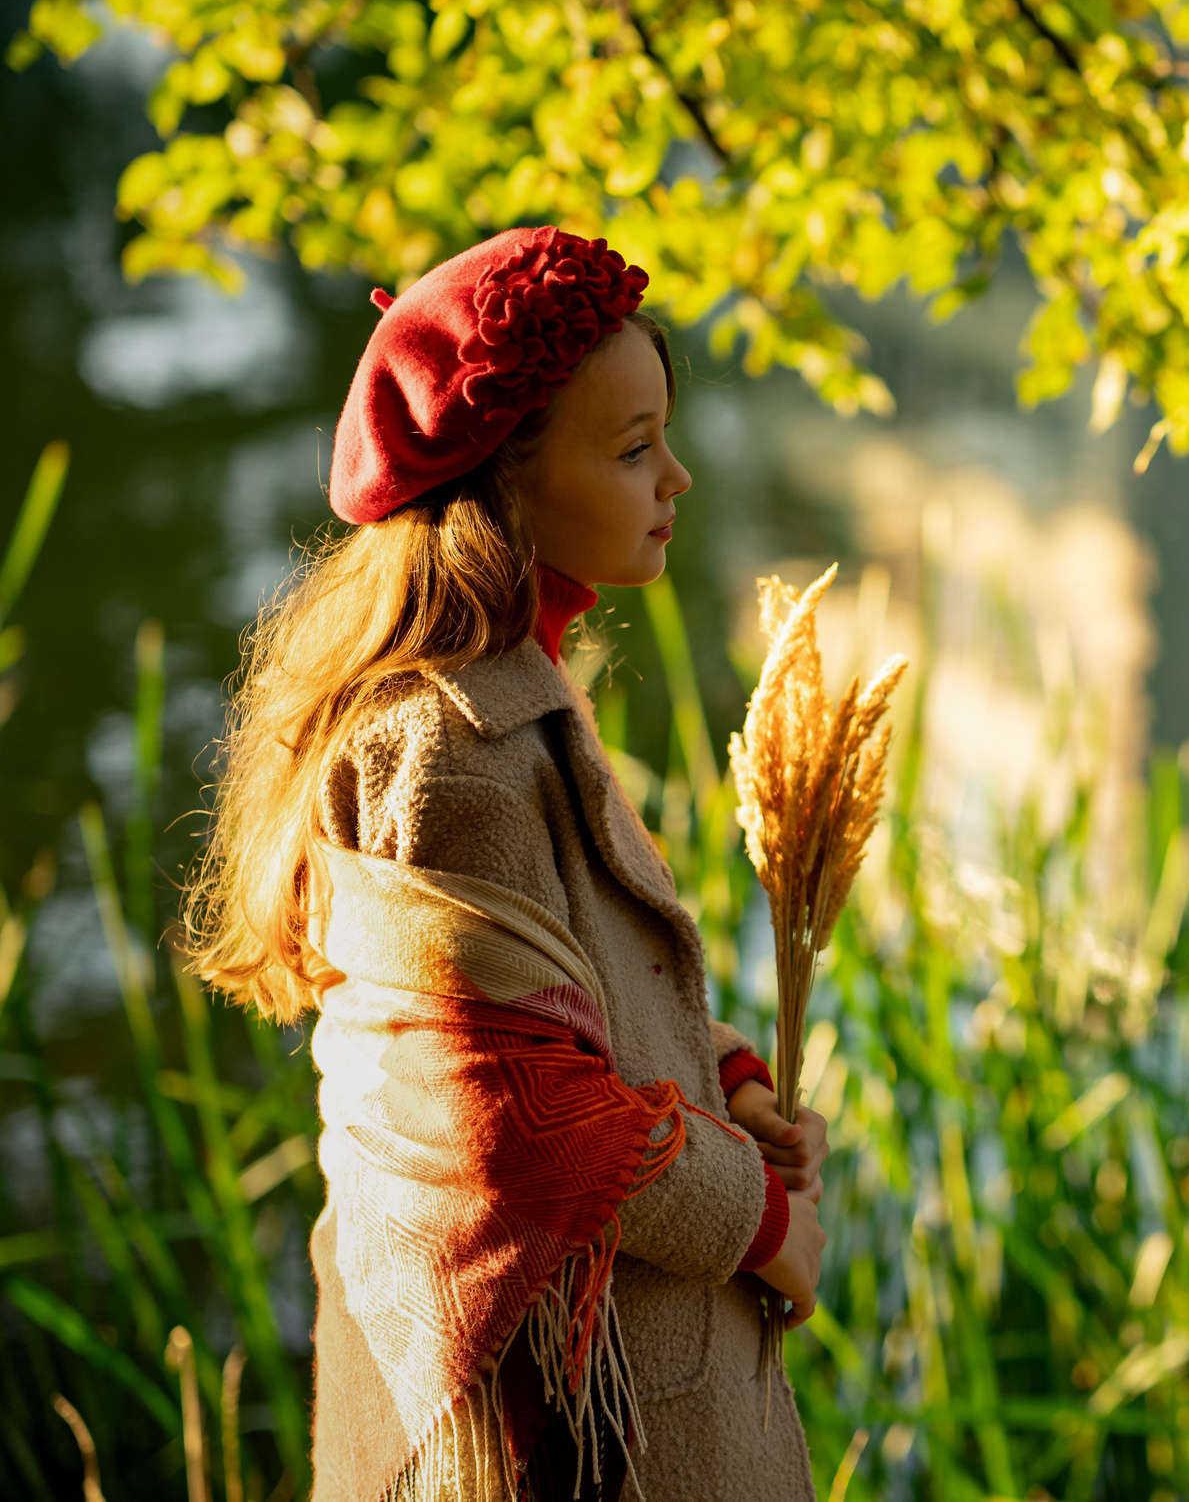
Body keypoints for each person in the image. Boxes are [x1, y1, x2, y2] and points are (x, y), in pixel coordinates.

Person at [183, 227, 825, 1501]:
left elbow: (570, 1001)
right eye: (633, 447)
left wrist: (732, 1079)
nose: (677, 477)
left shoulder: (516, 697)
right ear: (506, 482)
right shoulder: (451, 749)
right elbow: (507, 1115)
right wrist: (759, 1219)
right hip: (560, 1429)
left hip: (611, 1388)